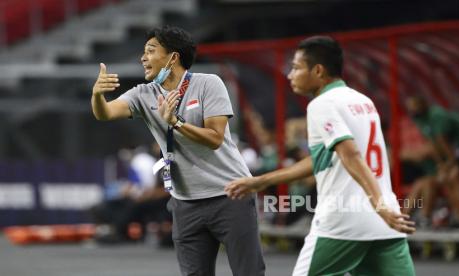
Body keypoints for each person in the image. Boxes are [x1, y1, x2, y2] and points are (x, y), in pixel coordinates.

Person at [225, 36, 416, 276]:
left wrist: (378, 205)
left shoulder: (322, 105)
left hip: (344, 219)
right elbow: (324, 160)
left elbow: (351, 154)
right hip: (385, 220)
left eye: (295, 68)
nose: (289, 75)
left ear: (317, 70)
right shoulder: (363, 101)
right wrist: (260, 181)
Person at [91, 25, 265, 276]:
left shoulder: (209, 84)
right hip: (185, 204)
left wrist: (176, 123)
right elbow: (105, 113)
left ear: (173, 57)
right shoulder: (143, 94)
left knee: (248, 272)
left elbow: (215, 138)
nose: (143, 58)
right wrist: (97, 95)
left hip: (230, 195)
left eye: (150, 51)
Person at [406, 96, 459, 227]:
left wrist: (448, 166)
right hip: (454, 157)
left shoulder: (437, 115)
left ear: (423, 104)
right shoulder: (420, 119)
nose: (412, 110)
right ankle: (406, 220)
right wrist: (442, 166)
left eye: (415, 106)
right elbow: (434, 145)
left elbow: (443, 143)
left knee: (452, 177)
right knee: (424, 183)